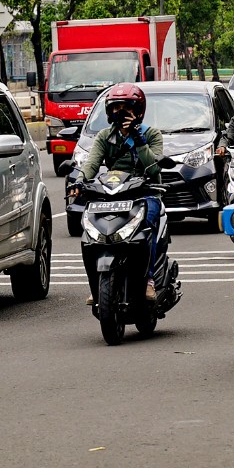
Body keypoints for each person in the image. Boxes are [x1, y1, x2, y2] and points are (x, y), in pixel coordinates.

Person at [73, 82, 166, 303]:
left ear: (138, 111)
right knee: (90, 228)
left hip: (145, 194)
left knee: (148, 224)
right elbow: (92, 164)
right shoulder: (105, 136)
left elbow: (153, 168)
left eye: (126, 107)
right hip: (113, 195)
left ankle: (149, 280)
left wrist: (139, 139)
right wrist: (78, 181)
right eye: (115, 108)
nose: (120, 112)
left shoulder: (151, 134)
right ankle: (97, 284)